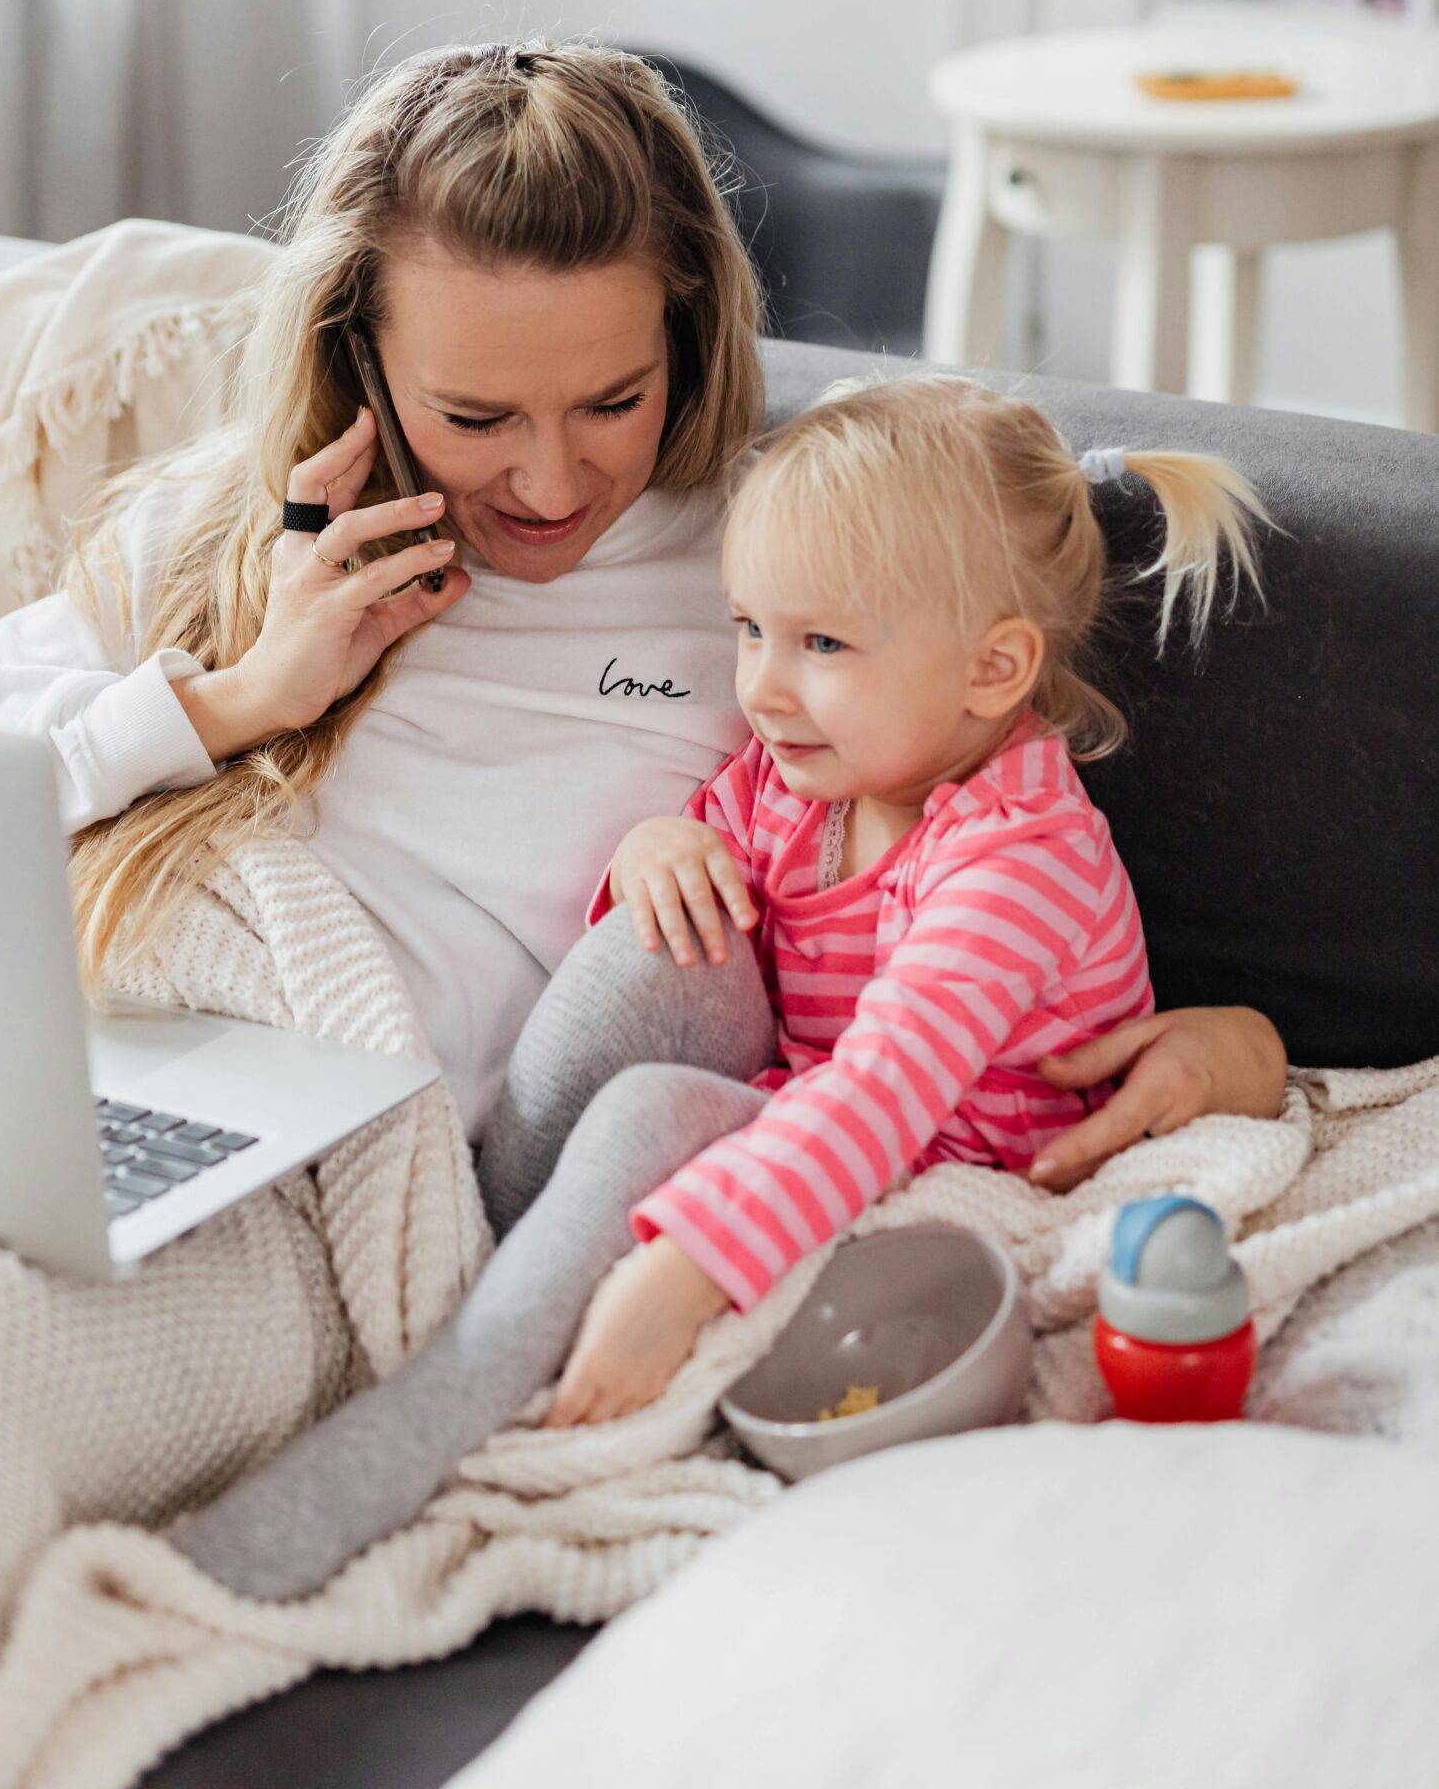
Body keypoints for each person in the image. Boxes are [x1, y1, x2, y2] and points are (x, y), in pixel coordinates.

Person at [0, 48, 1286, 1533]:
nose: (550, 485)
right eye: (476, 417)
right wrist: (242, 697)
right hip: (79, 1073)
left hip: (361, 1188)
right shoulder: (244, 532)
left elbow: (958, 873)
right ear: (364, 358)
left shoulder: (777, 566)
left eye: (612, 402)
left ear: (685, 332)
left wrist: (1240, 1039)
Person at [170, 371, 1268, 1596]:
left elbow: (876, 1095)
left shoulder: (1019, 863)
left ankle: (428, 1411)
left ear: (993, 668)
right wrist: (658, 845)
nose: (765, 687)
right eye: (750, 629)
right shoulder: (801, 779)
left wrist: (682, 1277)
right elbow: (705, 849)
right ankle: (477, 1291)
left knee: (656, 1111)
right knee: (667, 933)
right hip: (800, 1127)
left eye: (823, 645)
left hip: (940, 1178)